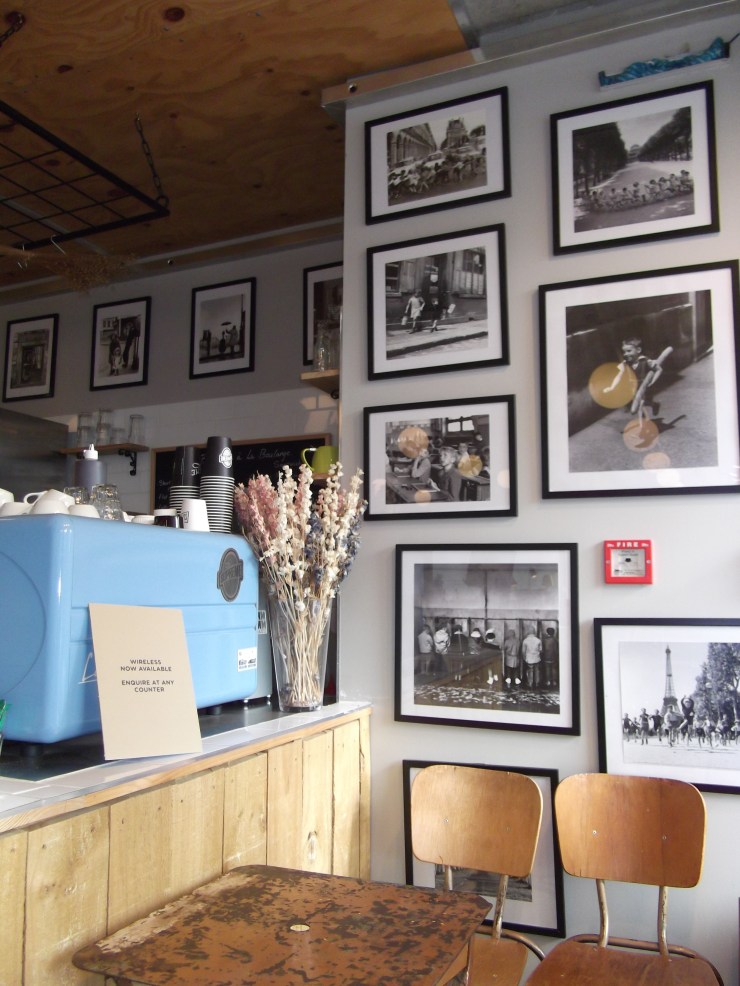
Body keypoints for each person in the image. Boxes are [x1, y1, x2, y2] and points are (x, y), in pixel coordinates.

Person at [603, 337, 666, 423]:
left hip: (645, 386)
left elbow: (659, 370)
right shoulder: (626, 363)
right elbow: (619, 375)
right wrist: (611, 387)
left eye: (629, 351)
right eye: (624, 352)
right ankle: (655, 405)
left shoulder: (645, 360)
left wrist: (652, 381)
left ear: (638, 350)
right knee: (645, 403)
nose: (625, 354)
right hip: (633, 388)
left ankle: (642, 429)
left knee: (640, 406)